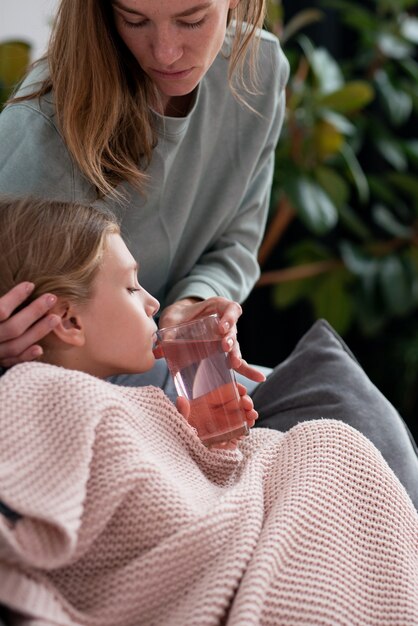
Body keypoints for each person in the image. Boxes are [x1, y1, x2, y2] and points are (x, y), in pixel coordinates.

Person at [0, 0, 417, 506]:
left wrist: (188, 310)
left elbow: (236, 243)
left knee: (350, 409)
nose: (166, 51)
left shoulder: (259, 72)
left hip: (179, 346)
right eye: (134, 21)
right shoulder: (37, 128)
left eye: (192, 19)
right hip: (64, 376)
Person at [1, 196, 418, 626]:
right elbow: (145, 515)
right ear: (70, 322)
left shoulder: (116, 398)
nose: (152, 303)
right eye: (130, 288)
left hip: (230, 522)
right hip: (204, 557)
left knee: (330, 441)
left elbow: (174, 483)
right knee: (328, 445)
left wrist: (212, 445)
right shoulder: (39, 393)